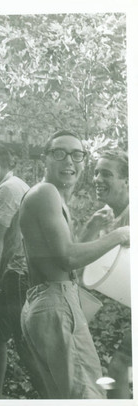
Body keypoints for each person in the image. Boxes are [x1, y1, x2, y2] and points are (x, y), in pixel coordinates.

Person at [19, 131, 130, 399]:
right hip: (56, 303)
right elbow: (67, 259)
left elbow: (66, 262)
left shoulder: (54, 198)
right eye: (59, 153)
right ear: (44, 158)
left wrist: (91, 227)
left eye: (77, 154)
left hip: (47, 301)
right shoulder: (46, 192)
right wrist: (118, 235)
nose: (69, 161)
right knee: (88, 395)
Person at [0, 143, 42, 398]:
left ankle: (54, 396)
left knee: (23, 344)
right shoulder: (15, 184)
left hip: (17, 275)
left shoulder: (7, 189)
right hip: (17, 273)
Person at [79, 149, 130, 399]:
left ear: (127, 181)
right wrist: (90, 228)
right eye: (96, 172)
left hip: (125, 311)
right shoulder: (104, 216)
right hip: (113, 310)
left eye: (106, 174)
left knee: (119, 368)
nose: (97, 179)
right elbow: (79, 261)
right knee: (114, 370)